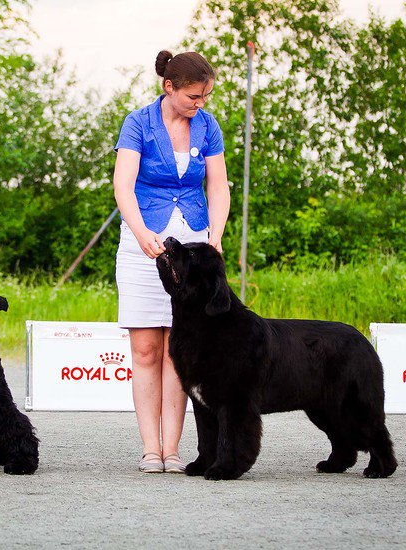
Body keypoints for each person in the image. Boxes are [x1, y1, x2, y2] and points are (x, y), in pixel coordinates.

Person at [113, 50, 230, 473]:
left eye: (206, 97)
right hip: (143, 241)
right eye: (194, 96)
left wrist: (214, 235)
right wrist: (143, 234)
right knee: (146, 349)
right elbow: (123, 186)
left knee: (179, 350)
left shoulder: (209, 126)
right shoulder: (138, 123)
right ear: (170, 87)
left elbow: (218, 185)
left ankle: (175, 450)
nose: (201, 104)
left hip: (194, 246)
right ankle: (150, 448)